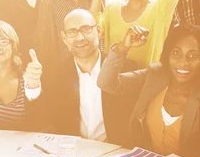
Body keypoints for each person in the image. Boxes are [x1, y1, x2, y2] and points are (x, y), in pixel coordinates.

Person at [98, 24, 200, 157]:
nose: (183, 62)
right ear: (168, 53)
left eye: (193, 55)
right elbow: (106, 83)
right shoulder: (154, 76)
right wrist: (122, 47)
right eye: (176, 53)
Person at [41, 9, 132, 145]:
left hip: (115, 154)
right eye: (72, 32)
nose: (80, 38)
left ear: (99, 31)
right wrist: (32, 87)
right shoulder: (55, 74)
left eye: (86, 29)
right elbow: (44, 118)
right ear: (64, 38)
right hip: (73, 155)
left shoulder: (126, 68)